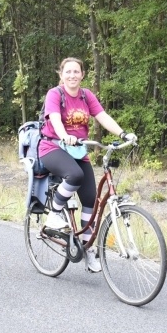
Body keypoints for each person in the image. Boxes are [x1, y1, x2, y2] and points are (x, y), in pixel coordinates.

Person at [38, 57, 136, 273]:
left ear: (82, 74)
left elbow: (102, 116)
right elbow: (54, 118)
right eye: (68, 72)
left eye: (76, 72)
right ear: (61, 74)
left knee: (91, 199)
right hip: (52, 147)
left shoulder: (86, 95)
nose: (72, 75)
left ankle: (87, 248)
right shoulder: (55, 94)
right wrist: (64, 136)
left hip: (77, 151)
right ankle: (54, 214)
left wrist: (122, 133)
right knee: (74, 176)